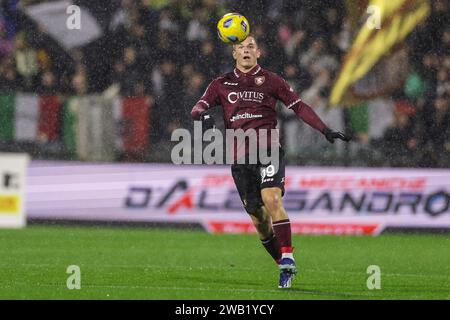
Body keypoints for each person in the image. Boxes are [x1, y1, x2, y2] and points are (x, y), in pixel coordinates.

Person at [191, 35, 350, 288]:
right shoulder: (220, 84)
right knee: (259, 220)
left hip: (268, 150)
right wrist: (204, 117)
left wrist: (324, 129)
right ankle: (283, 264)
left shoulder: (273, 81)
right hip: (241, 158)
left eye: (250, 46)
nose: (246, 50)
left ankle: (288, 256)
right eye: (241, 47)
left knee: (272, 198)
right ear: (234, 54)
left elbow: (299, 107)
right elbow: (197, 108)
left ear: (258, 52)